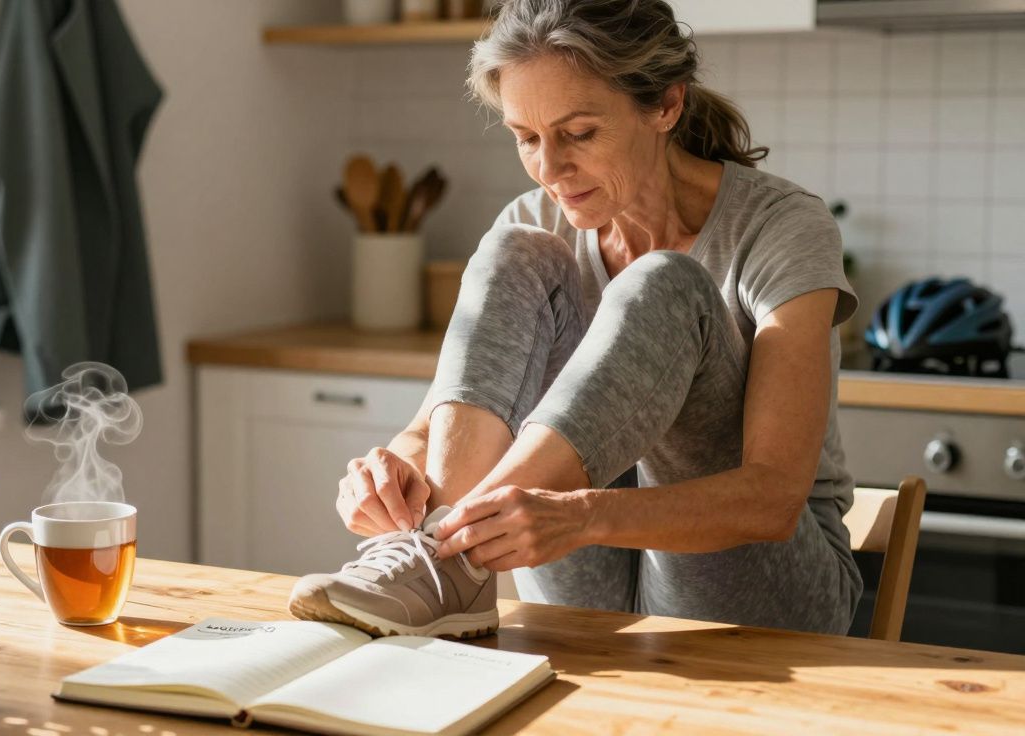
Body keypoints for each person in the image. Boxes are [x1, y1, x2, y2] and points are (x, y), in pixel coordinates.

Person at [289, 0, 862, 638]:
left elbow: (774, 498)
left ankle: (447, 561)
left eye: (580, 133)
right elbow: (431, 430)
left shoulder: (779, 226)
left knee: (663, 282)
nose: (550, 170)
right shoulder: (534, 222)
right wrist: (387, 470)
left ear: (666, 105)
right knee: (516, 251)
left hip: (765, 597)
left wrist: (585, 515)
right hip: (581, 591)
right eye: (526, 138)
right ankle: (445, 565)